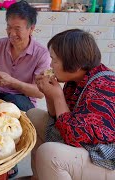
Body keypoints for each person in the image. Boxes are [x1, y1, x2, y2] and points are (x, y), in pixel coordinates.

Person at [27, 29, 115, 180]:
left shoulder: (103, 87)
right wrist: (50, 94)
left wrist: (58, 96)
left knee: (49, 153)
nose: (51, 65)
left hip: (106, 159)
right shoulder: (76, 79)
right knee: (32, 116)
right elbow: (58, 119)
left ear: (74, 65)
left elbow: (73, 138)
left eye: (54, 60)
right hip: (83, 142)